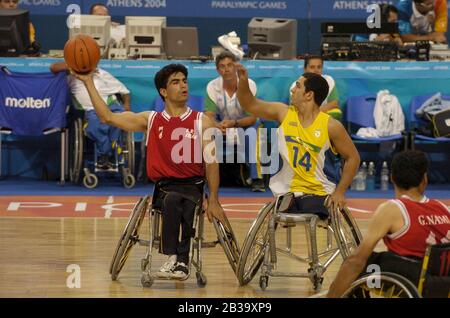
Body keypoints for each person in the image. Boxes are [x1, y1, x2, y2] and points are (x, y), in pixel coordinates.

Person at [70, 63, 226, 279]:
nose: (183, 86)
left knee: (186, 201)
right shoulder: (151, 119)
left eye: (184, 81)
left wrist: (215, 199)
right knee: (172, 199)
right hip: (164, 188)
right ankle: (175, 258)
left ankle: (181, 260)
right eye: (175, 82)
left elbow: (211, 164)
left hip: (194, 186)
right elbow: (107, 117)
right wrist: (88, 82)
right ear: (163, 92)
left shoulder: (202, 122)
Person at [236, 63, 360, 217]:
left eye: (298, 86)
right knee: (272, 216)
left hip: (318, 191)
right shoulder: (283, 113)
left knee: (312, 213)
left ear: (309, 95)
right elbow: (250, 104)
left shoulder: (331, 126)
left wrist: (340, 192)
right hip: (286, 191)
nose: (292, 89)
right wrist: (242, 81)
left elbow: (353, 157)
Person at [327, 150, 450, 297]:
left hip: (413, 284)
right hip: (443, 284)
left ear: (392, 178)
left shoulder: (393, 209)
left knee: (357, 263)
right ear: (425, 179)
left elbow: (356, 261)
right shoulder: (444, 209)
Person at [50, 61, 131, 169]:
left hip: (110, 106)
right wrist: (75, 65)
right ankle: (106, 152)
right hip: (90, 110)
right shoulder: (72, 77)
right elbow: (53, 68)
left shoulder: (103, 74)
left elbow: (124, 91)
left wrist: (126, 104)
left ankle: (112, 149)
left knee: (119, 120)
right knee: (94, 126)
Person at [205, 51, 265, 192]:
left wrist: (234, 124)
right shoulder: (212, 86)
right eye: (222, 66)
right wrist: (217, 125)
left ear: (236, 67)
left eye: (230, 65)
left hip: (245, 123)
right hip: (222, 124)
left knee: (253, 131)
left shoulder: (249, 84)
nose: (226, 69)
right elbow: (209, 115)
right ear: (217, 70)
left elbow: (252, 117)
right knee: (205, 129)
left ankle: (256, 178)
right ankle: (205, 176)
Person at [290, 55, 342, 122]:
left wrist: (315, 113)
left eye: (319, 67)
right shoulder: (295, 85)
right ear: (305, 69)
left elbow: (334, 103)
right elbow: (294, 107)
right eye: (312, 67)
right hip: (302, 116)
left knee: (336, 112)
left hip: (322, 113)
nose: (316, 70)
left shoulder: (329, 80)